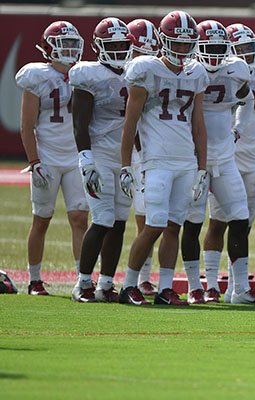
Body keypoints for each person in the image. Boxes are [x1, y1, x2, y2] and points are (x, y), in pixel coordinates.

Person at [120, 10, 209, 306]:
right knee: (154, 225)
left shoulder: (196, 73)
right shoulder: (145, 70)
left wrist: (201, 168)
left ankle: (165, 288)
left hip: (184, 159)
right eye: (177, 43)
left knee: (174, 226)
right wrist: (125, 165)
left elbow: (198, 124)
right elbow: (129, 124)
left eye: (187, 44)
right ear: (162, 40)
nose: (183, 49)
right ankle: (129, 285)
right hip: (156, 159)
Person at [181, 20, 255, 305]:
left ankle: (239, 288)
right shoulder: (190, 70)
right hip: (196, 158)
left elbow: (246, 101)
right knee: (195, 222)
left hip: (228, 157)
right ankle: (200, 286)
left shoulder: (238, 70)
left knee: (240, 218)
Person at [15, 21, 88, 296]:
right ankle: (34, 279)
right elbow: (27, 125)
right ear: (49, 47)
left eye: (72, 44)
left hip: (75, 157)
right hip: (47, 158)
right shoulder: (37, 76)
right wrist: (34, 162)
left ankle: (83, 279)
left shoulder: (83, 74)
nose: (69, 49)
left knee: (80, 218)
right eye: (64, 43)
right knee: (42, 219)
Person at [70, 17, 133, 303]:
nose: (119, 50)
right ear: (99, 47)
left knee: (119, 221)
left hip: (125, 156)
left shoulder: (136, 70)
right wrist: (86, 160)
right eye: (113, 45)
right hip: (98, 154)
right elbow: (80, 124)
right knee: (103, 219)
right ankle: (82, 283)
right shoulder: (88, 74)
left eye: (123, 44)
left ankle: (106, 284)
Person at [126, 18, 161, 296]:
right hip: (129, 150)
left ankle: (143, 277)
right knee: (113, 219)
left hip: (152, 149)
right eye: (140, 52)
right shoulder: (121, 72)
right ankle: (135, 278)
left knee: (150, 217)